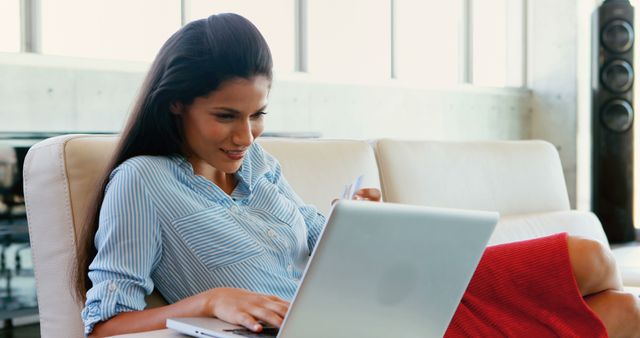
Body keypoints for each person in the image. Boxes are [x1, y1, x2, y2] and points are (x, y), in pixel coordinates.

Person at [76, 13, 640, 338]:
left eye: (257, 116)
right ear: (175, 104)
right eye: (225, 116)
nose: (245, 137)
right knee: (608, 295)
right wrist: (208, 300)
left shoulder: (261, 166)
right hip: (335, 331)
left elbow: (317, 243)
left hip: (382, 299)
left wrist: (360, 222)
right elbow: (103, 326)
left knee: (608, 282)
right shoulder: (143, 182)